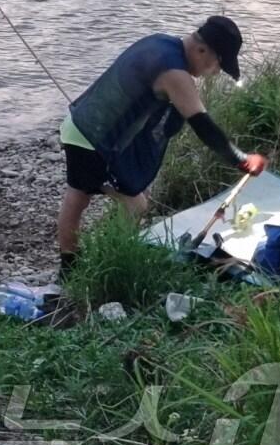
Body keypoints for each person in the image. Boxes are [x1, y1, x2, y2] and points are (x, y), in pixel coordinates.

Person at [57, 15, 267, 276]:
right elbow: (203, 126)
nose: (213, 72)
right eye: (217, 65)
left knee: (79, 197)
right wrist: (242, 159)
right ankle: (109, 266)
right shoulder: (175, 73)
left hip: (80, 124)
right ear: (203, 50)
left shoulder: (161, 42)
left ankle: (72, 267)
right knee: (132, 205)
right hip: (92, 137)